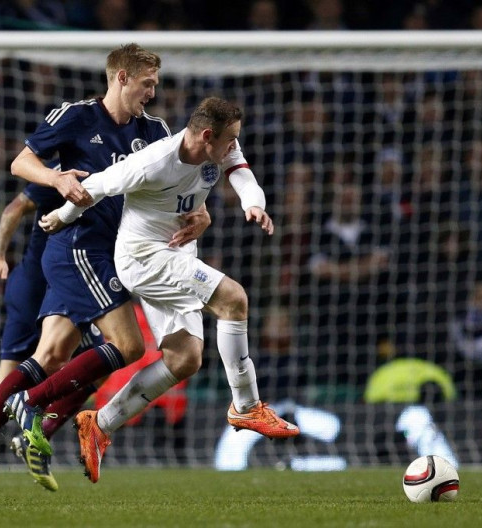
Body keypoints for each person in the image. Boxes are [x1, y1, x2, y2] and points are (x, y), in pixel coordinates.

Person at [0, 43, 211, 499]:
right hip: (78, 246)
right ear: (120, 78)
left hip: (117, 252)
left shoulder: (157, 130)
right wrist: (57, 179)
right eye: (147, 83)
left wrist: (199, 213)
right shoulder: (75, 116)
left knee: (52, 355)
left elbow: (181, 185)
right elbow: (20, 163)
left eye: (157, 83)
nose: (153, 91)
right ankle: (32, 413)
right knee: (127, 346)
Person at [40, 96, 300, 483]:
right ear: (207, 136)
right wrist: (60, 217)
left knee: (185, 359)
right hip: (144, 259)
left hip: (176, 255)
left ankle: (100, 425)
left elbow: (241, 171)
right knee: (234, 299)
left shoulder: (221, 146)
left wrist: (254, 203)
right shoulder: (154, 161)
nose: (234, 146)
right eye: (229, 140)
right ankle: (246, 405)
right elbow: (93, 187)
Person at [0, 171, 105, 493]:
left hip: (52, 283)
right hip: (42, 286)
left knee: (100, 359)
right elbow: (14, 208)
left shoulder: (107, 162)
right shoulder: (62, 173)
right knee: (100, 354)